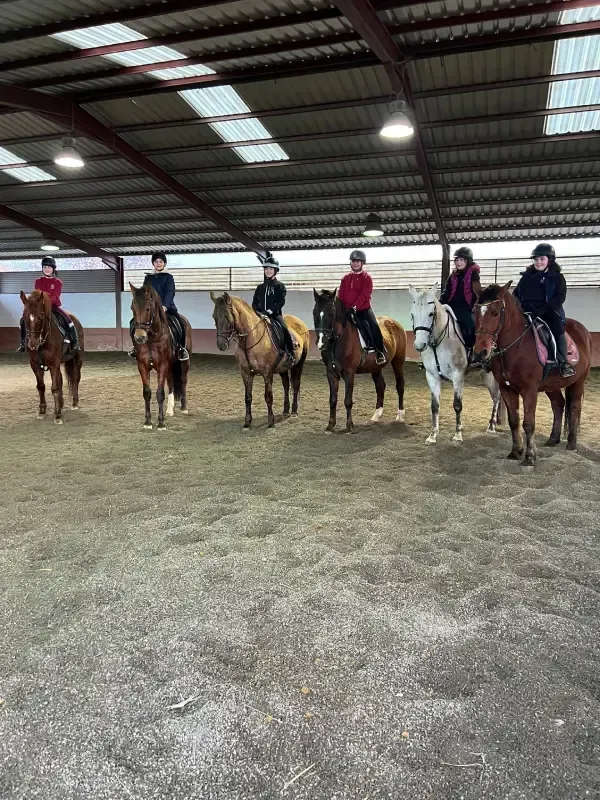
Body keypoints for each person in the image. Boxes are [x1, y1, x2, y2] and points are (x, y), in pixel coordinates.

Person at [513, 242, 575, 378]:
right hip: (525, 311)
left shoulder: (557, 277)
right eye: (536, 259)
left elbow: (560, 297)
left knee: (556, 327)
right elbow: (516, 294)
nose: (538, 262)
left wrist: (543, 310)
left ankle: (564, 362)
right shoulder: (526, 277)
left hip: (548, 311)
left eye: (542, 259)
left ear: (550, 260)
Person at [128, 251, 189, 361]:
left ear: (164, 264)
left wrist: (165, 305)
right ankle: (135, 347)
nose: (158, 263)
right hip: (150, 309)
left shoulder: (168, 277)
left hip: (167, 307)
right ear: (153, 263)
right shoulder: (148, 278)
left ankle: (181, 348)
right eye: (156, 261)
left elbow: (170, 292)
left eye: (161, 261)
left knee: (180, 323)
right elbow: (144, 292)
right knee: (133, 322)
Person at [17, 256, 80, 352]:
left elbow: (55, 296)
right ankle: (22, 343)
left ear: (53, 269)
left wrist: (45, 300)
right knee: (23, 319)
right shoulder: (38, 281)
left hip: (53, 305)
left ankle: (75, 341)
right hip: (39, 306)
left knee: (68, 319)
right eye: (45, 267)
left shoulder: (57, 282)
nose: (47, 269)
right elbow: (36, 294)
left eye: (49, 267)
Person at [338, 249, 385, 365]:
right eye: (353, 261)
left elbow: (365, 294)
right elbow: (341, 294)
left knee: (374, 326)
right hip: (347, 310)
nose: (355, 263)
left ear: (362, 263)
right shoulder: (345, 278)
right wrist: (343, 307)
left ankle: (380, 351)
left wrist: (354, 306)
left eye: (358, 261)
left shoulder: (366, 278)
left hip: (363, 309)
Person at [252, 255, 296, 366]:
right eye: (266, 268)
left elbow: (281, 302)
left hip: (275, 315)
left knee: (284, 329)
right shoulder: (260, 287)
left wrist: (269, 312)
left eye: (271, 269)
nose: (268, 271)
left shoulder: (280, 286)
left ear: (275, 271)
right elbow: (254, 303)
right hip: (260, 316)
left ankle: (290, 354)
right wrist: (258, 312)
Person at [439, 246, 482, 359]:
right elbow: (446, 292)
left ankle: (471, 351)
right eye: (457, 260)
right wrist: (439, 304)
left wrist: (473, 308)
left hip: (466, 308)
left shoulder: (473, 275)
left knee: (470, 324)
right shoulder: (452, 276)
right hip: (450, 307)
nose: (458, 262)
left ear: (468, 261)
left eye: (461, 259)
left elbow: (476, 292)